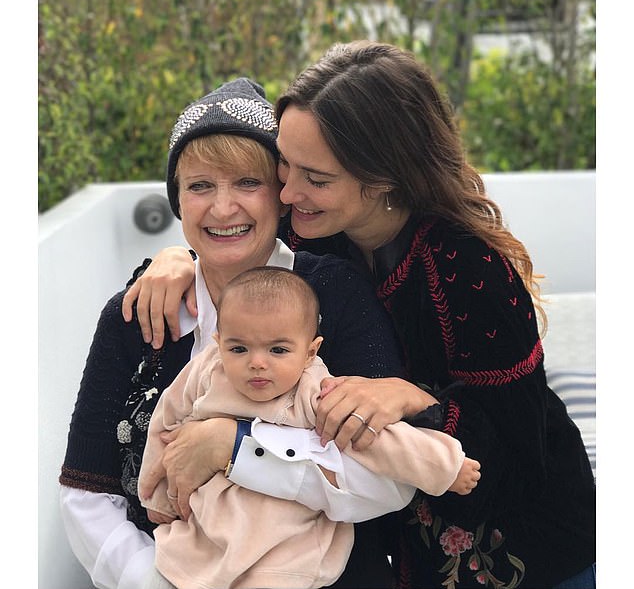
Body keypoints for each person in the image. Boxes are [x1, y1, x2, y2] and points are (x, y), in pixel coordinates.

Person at [133, 42, 596, 588]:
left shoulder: (467, 269)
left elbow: (519, 446)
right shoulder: (316, 232)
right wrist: (178, 261)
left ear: (382, 181)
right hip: (400, 548)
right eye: (285, 163)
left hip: (528, 549)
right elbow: (241, 255)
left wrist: (415, 398)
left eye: (315, 178)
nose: (287, 192)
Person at [59, 77, 436, 589]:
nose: (222, 208)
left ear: (281, 198)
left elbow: (389, 480)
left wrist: (239, 448)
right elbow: (86, 490)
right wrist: (154, 581)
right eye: (199, 186)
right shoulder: (137, 317)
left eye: (246, 182)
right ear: (177, 201)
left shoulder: (332, 294)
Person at [140, 266, 480, 589]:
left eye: (278, 349)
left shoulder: (314, 391)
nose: (257, 362)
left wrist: (445, 466)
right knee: (173, 568)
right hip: (206, 534)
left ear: (309, 352)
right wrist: (156, 495)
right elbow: (166, 420)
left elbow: (381, 440)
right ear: (218, 342)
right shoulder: (208, 371)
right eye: (238, 348)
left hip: (286, 549)